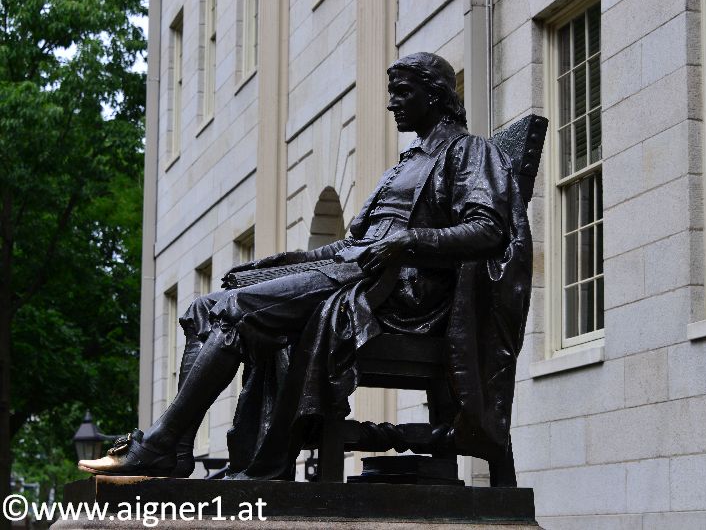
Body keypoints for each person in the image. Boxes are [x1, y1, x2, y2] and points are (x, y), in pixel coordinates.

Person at [78, 52, 532, 479]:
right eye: (391, 92)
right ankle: (177, 449)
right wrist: (289, 261)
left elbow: (488, 230)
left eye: (403, 92)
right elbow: (355, 245)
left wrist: (407, 242)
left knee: (235, 311)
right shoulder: (407, 163)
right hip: (358, 273)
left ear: (434, 95)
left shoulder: (469, 151)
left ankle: (161, 443)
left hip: (402, 298)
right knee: (205, 307)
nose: (391, 102)